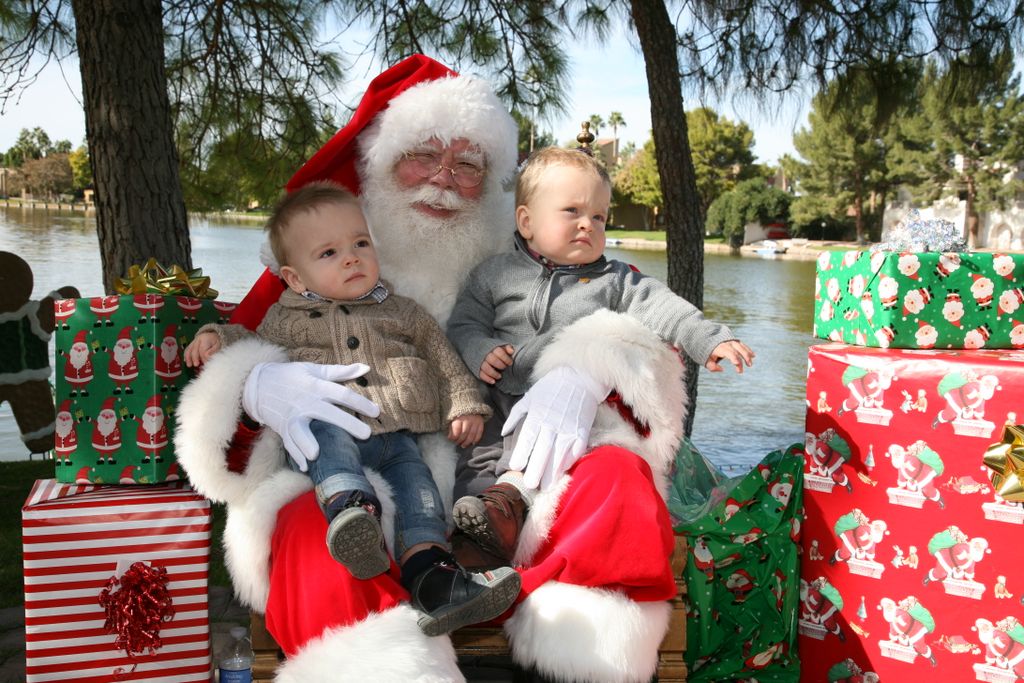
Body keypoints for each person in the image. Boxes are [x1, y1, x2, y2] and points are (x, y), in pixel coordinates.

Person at [176, 54, 685, 683]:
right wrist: (253, 385)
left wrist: (586, 368)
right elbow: (221, 429)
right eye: (423, 155)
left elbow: (649, 342)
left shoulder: (527, 254)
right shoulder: (317, 259)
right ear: (379, 167)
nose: (443, 179)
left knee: (618, 476)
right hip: (365, 497)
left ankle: (583, 663)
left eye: (468, 163)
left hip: (512, 492)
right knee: (308, 521)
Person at [183, 182, 518, 636]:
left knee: (420, 495)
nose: (352, 258)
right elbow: (251, 340)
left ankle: (433, 577)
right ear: (295, 278)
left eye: (361, 243)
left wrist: (465, 402)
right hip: (332, 432)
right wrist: (217, 337)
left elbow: (443, 360)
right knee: (324, 432)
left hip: (397, 441)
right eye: (329, 253)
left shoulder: (404, 312)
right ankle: (350, 509)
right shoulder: (287, 317)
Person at [446, 147, 754, 561]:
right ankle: (476, 544)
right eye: (571, 211)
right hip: (497, 401)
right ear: (527, 221)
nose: (587, 225)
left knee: (543, 466)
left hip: (568, 408)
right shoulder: (494, 274)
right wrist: (480, 348)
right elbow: (464, 324)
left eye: (599, 217)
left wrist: (710, 339)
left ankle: (510, 508)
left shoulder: (616, 281)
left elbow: (667, 311)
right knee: (474, 466)